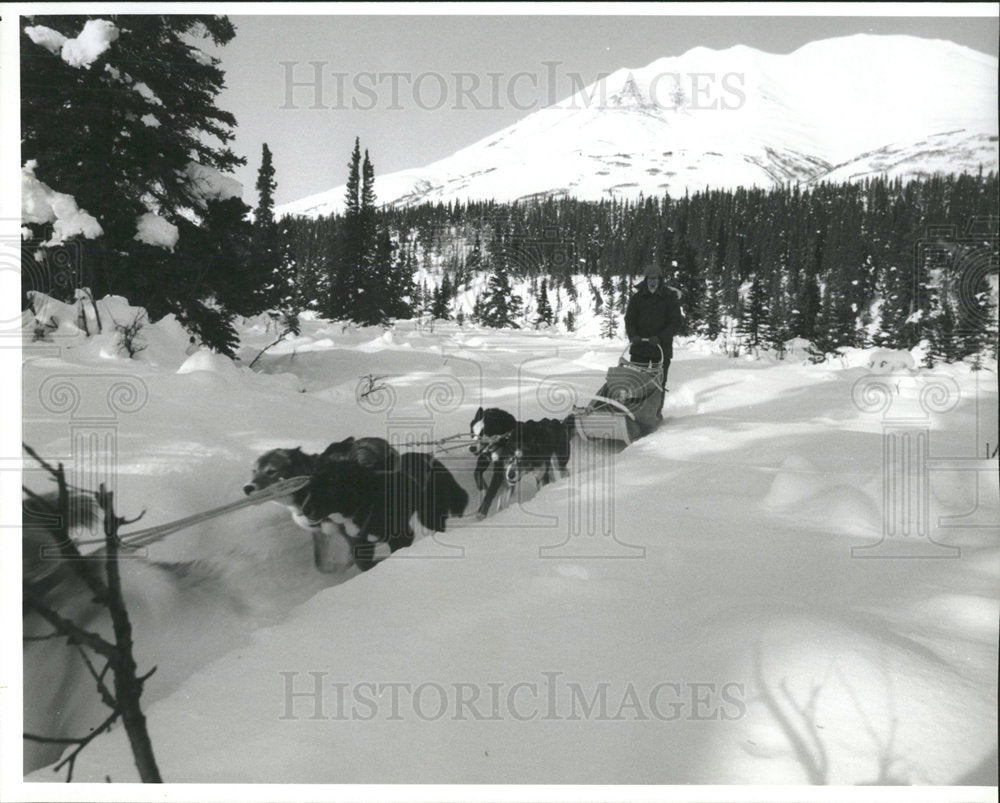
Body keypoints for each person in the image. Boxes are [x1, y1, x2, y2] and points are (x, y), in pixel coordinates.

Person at [624, 262, 682, 385]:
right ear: (646, 279)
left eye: (655, 279)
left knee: (658, 384)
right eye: (650, 279)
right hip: (640, 348)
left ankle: (657, 397)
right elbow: (629, 320)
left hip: (661, 350)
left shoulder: (669, 298)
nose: (652, 282)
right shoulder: (637, 298)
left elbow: (676, 322)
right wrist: (633, 336)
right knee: (636, 383)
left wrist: (661, 338)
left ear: (660, 279)